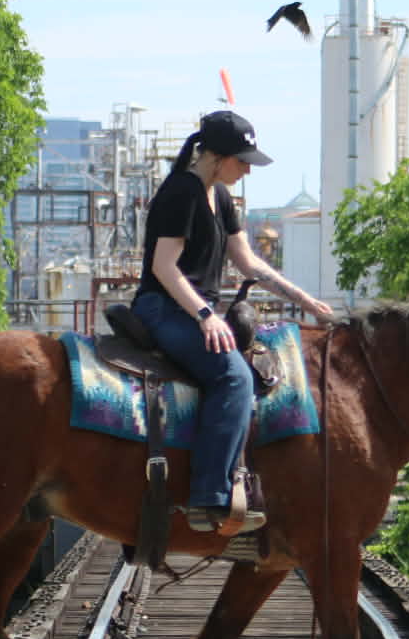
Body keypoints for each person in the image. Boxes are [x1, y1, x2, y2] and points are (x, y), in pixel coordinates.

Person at [131, 110, 334, 533]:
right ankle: (210, 497)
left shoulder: (219, 196)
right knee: (234, 378)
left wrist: (304, 299)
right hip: (162, 307)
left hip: (190, 309)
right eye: (242, 161)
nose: (247, 170)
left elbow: (248, 262)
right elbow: (164, 268)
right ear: (216, 157)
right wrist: (206, 316)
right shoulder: (182, 193)